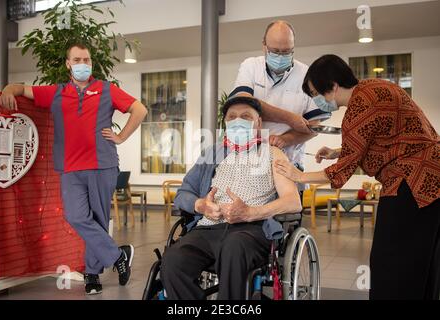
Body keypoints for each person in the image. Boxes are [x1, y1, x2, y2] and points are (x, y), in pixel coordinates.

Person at [274, 54, 440, 300]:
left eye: (315, 93)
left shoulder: (358, 110)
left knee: (391, 262)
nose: (316, 100)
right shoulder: (378, 86)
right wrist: (338, 151)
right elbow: (387, 138)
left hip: (412, 185)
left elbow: (340, 174)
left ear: (332, 86)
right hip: (433, 180)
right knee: (424, 262)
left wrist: (298, 175)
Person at [0, 43, 148, 295]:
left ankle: (92, 275)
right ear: (68, 64)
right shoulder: (56, 93)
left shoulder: (106, 89)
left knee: (99, 220)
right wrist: (8, 89)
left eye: (86, 60)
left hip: (103, 165)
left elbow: (139, 109)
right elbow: (22, 89)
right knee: (76, 216)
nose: (83, 64)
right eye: (77, 59)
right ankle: (118, 255)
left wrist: (121, 136)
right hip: (69, 168)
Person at [160, 96, 302, 300]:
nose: (238, 121)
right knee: (173, 260)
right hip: (207, 228)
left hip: (251, 231)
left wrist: (251, 213)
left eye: (245, 116)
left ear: (258, 123)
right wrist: (201, 205)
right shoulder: (212, 154)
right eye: (232, 117)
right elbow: (183, 194)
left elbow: (292, 201)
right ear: (225, 124)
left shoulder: (273, 154)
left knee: (233, 247)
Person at [230, 20, 330, 185]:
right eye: (275, 51)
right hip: (249, 164)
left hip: (289, 165)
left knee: (288, 208)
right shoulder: (250, 66)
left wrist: (286, 139)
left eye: (286, 52)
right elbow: (244, 103)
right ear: (264, 46)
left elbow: (314, 126)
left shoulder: (308, 75)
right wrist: (290, 118)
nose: (280, 57)